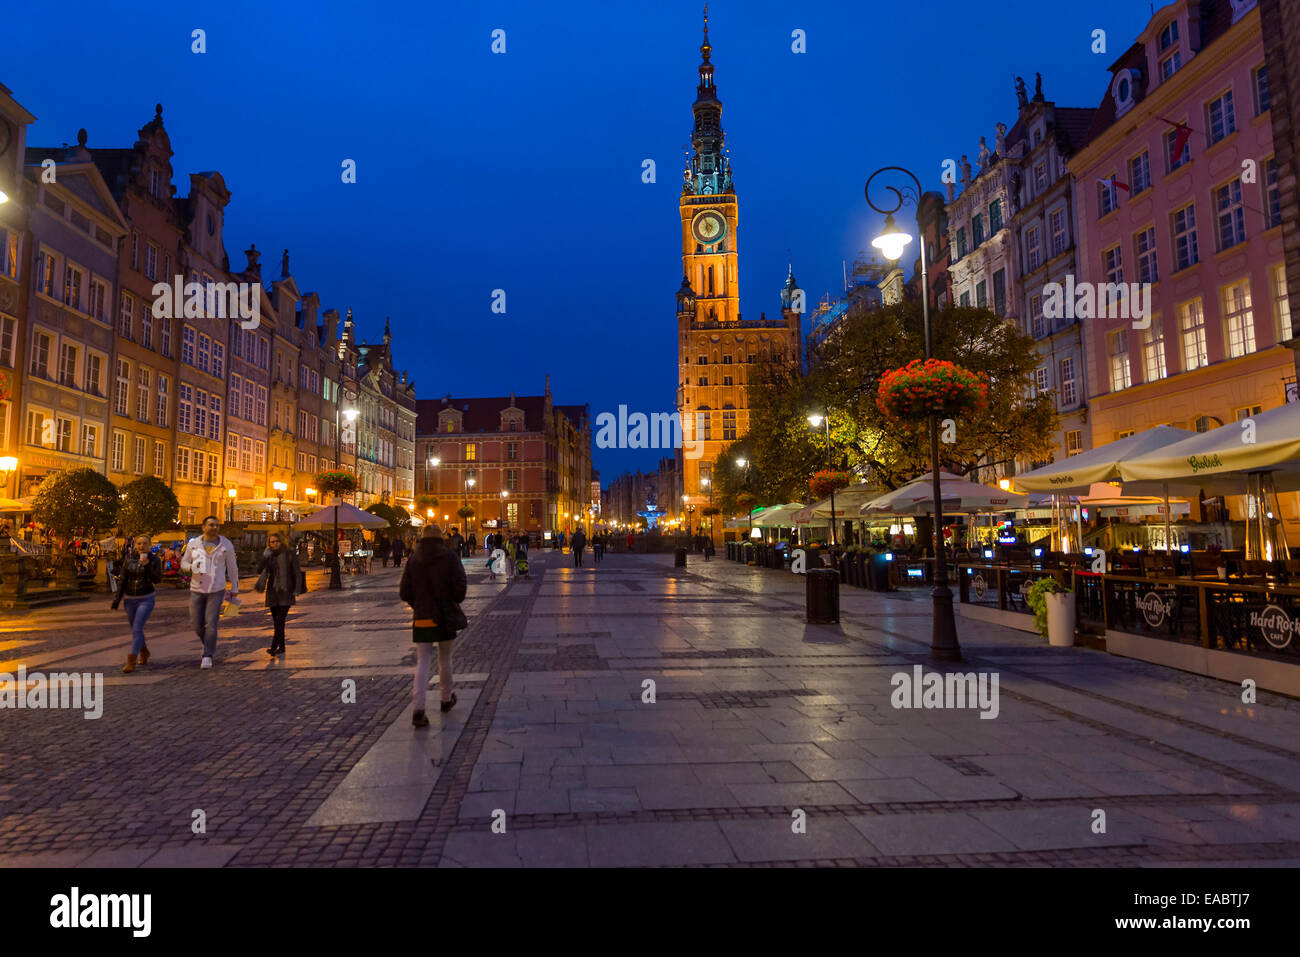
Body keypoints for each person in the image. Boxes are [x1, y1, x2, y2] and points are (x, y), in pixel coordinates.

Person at [399, 524, 468, 726]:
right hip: (445, 617)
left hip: (422, 617)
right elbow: (460, 590)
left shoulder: (414, 560)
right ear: (441, 538)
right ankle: (446, 699)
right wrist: (451, 601)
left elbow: (404, 592)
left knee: (422, 661)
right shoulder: (450, 557)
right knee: (444, 658)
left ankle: (418, 710)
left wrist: (418, 605)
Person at [180, 515, 240, 669]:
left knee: (211, 622)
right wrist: (191, 567)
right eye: (211, 525)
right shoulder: (194, 544)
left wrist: (234, 588)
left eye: (217, 525)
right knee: (196, 623)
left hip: (216, 588)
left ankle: (207, 655)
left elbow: (232, 568)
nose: (214, 528)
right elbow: (184, 563)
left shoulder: (226, 544)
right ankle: (207, 643)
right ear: (203, 527)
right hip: (197, 588)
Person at [113, 533, 162, 673]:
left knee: (137, 628)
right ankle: (144, 651)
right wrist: (117, 599)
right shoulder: (128, 560)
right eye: (139, 543)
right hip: (129, 600)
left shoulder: (154, 560)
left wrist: (147, 566)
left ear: (150, 545)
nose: (141, 546)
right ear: (135, 545)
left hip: (146, 598)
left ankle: (131, 661)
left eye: (145, 543)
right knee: (137, 629)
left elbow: (157, 579)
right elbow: (122, 580)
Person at [256, 531, 303, 657]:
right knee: (276, 621)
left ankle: (273, 647)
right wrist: (264, 557)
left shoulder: (289, 553)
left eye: (277, 541)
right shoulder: (269, 556)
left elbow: (297, 572)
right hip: (272, 592)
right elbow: (258, 570)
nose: (275, 544)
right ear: (269, 544)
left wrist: (297, 588)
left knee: (280, 621)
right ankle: (282, 647)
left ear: (281, 542)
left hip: (286, 591)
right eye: (272, 542)